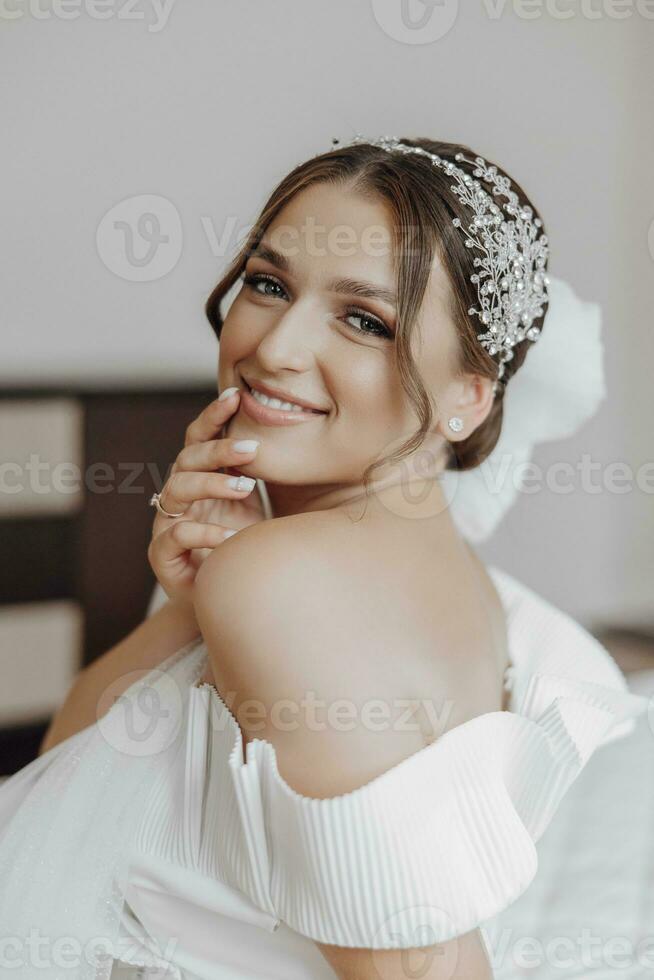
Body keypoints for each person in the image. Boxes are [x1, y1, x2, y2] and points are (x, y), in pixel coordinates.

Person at [0, 135, 648, 980]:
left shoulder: (282, 580)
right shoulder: (463, 586)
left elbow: (421, 964)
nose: (274, 349)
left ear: (470, 396)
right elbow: (62, 784)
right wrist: (192, 603)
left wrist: (237, 582)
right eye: (268, 284)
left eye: (364, 319)